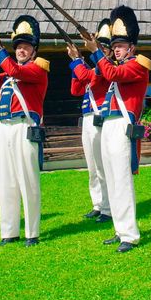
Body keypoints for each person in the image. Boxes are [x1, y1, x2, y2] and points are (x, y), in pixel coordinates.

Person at [83, 5, 150, 253]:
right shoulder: (118, 65)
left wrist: (95, 53)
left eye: (120, 46)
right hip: (109, 125)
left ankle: (130, 234)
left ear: (131, 47)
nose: (115, 50)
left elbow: (111, 73)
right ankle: (120, 229)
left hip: (123, 126)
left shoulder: (138, 64)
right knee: (111, 179)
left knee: (121, 181)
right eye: (114, 46)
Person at [0, 16, 49, 247]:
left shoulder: (38, 69)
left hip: (24, 127)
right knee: (7, 181)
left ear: (34, 51)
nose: (21, 50)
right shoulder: (9, 74)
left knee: (28, 181)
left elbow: (16, 70)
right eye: (18, 46)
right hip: (5, 128)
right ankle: (9, 232)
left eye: (26, 46)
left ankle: (32, 232)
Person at [67, 18, 112, 223]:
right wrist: (79, 67)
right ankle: (97, 203)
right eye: (99, 47)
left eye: (104, 48)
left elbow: (88, 77)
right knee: (92, 166)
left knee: (103, 165)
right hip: (87, 119)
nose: (100, 50)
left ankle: (108, 206)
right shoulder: (92, 70)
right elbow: (76, 90)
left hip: (99, 118)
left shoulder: (107, 67)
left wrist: (77, 60)